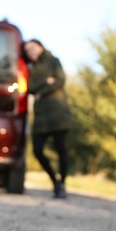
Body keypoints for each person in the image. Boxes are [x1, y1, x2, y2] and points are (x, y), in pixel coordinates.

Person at [23, 39, 71, 199]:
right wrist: (46, 81)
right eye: (27, 50)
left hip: (57, 112)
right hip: (41, 115)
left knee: (61, 149)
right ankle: (55, 181)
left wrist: (41, 91)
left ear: (40, 46)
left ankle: (62, 183)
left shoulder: (53, 61)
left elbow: (60, 80)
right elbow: (29, 88)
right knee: (37, 149)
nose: (31, 52)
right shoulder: (30, 67)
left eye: (33, 47)